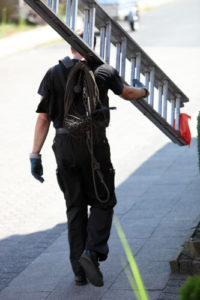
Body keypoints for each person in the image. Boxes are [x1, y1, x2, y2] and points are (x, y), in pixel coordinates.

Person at [29, 32, 148, 287]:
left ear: (69, 45)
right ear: (92, 45)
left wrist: (34, 155)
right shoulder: (103, 71)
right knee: (104, 200)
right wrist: (145, 90)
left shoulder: (52, 73)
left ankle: (79, 272)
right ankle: (91, 254)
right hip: (93, 145)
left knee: (75, 208)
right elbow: (127, 93)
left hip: (63, 146)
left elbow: (43, 118)